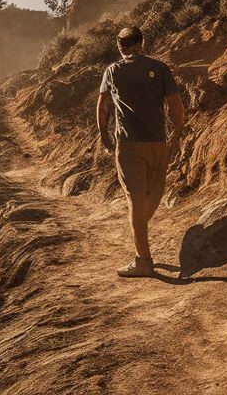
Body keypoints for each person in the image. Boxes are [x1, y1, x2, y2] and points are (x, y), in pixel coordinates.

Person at [96, 26, 185, 278]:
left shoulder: (112, 71)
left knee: (135, 199)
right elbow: (175, 103)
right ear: (142, 42)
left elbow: (103, 105)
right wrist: (177, 133)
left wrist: (103, 132)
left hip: (128, 144)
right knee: (153, 193)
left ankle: (143, 260)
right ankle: (141, 238)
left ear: (119, 45)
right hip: (157, 142)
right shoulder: (160, 68)